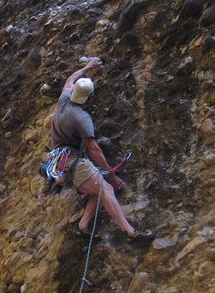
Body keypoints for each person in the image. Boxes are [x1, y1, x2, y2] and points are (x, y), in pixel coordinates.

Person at [51, 57, 156, 242]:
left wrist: (88, 67)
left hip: (60, 160)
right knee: (106, 187)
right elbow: (94, 149)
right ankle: (130, 233)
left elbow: (70, 78)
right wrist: (112, 175)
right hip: (74, 161)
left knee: (99, 189)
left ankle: (82, 226)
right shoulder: (81, 117)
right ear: (89, 98)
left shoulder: (64, 98)